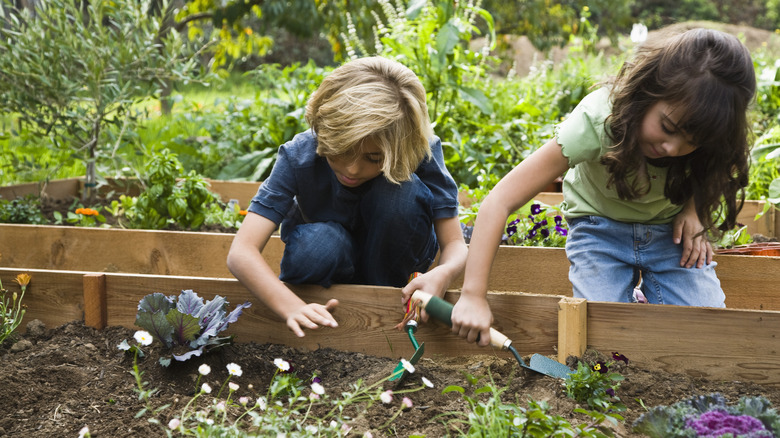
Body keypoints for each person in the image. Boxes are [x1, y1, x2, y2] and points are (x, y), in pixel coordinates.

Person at [436, 28, 756, 346]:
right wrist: (473, 295)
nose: (673, 148)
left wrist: (694, 211)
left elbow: (716, 170)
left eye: (693, 142)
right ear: (650, 90)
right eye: (668, 127)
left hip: (668, 231)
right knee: (600, 336)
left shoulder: (709, 140)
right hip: (597, 227)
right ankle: (631, 300)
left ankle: (643, 299)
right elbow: (500, 200)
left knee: (710, 332)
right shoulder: (596, 121)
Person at [227, 56, 468, 338]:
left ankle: (382, 299)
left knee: (401, 192)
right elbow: (241, 252)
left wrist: (443, 273)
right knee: (320, 244)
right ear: (323, 131)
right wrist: (290, 305)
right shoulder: (299, 155)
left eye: (373, 158)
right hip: (328, 265)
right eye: (341, 152)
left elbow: (454, 243)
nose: (353, 169)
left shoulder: (418, 148)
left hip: (393, 263)